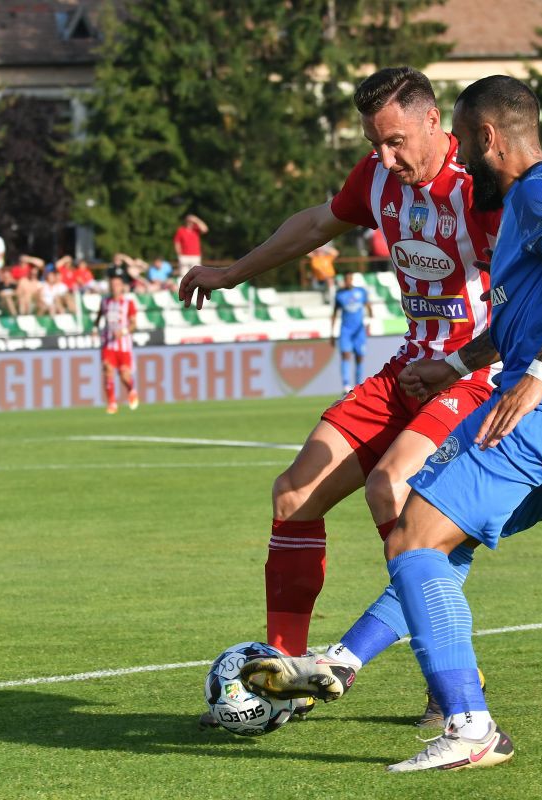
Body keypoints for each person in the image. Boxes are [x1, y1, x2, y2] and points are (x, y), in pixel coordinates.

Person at [237, 75, 542, 773]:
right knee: (436, 548)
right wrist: (463, 365)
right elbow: (522, 319)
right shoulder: (527, 205)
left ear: (485, 139)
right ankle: (340, 661)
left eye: (460, 141)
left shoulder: (540, 189)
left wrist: (539, 377)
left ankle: (469, 721)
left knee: (412, 527)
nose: (454, 160)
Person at [178, 67, 501, 720]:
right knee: (294, 493)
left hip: (471, 378)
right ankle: (284, 679)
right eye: (375, 143)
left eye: (396, 141)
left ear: (435, 122)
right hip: (408, 368)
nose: (385, 157)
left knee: (404, 505)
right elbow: (315, 225)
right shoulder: (376, 177)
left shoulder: (482, 190)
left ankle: (453, 682)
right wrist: (233, 272)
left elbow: (537, 281)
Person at [94, 271, 139, 414]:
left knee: (124, 374)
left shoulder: (128, 303)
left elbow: (133, 324)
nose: (114, 287)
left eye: (117, 284)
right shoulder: (104, 301)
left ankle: (131, 389)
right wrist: (95, 329)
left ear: (122, 287)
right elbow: (99, 316)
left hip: (124, 345)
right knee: (108, 370)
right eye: (112, 284)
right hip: (108, 344)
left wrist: (123, 332)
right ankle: (112, 403)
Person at [332, 272, 373, 393]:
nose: (348, 281)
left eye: (350, 279)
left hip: (359, 330)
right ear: (344, 280)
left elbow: (368, 306)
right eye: (346, 279)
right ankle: (346, 385)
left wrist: (371, 321)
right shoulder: (340, 294)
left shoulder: (361, 292)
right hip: (346, 330)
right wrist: (331, 332)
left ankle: (358, 384)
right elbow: (335, 313)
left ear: (353, 279)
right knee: (345, 355)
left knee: (359, 357)